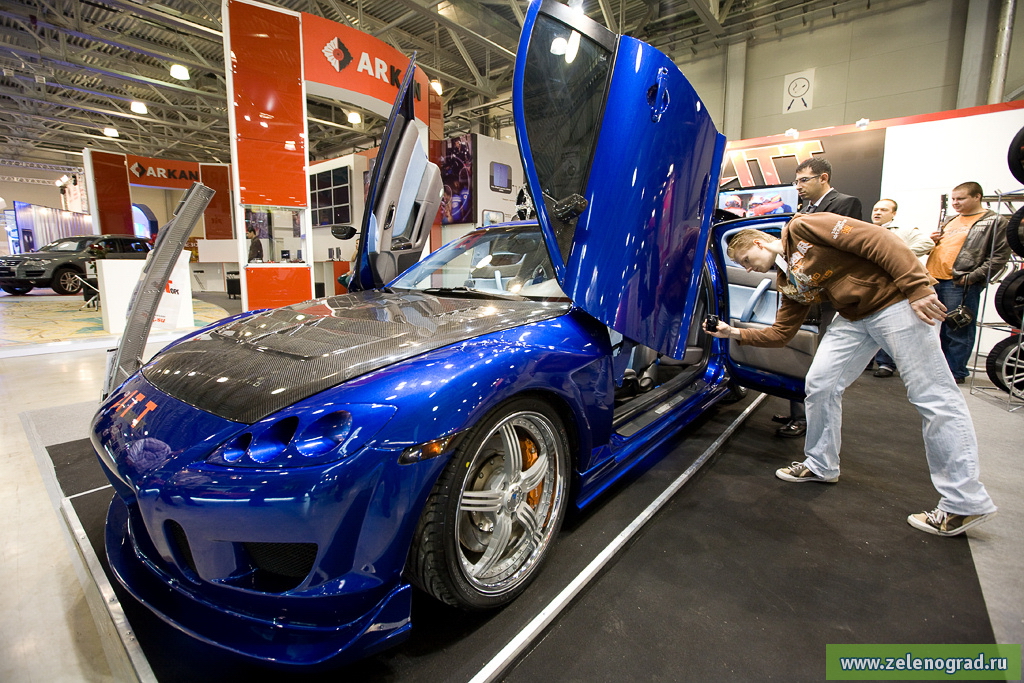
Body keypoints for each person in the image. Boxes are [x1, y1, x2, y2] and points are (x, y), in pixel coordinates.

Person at [709, 217, 997, 537]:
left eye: (746, 260)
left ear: (759, 243)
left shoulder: (802, 228)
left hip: (896, 302)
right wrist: (733, 332)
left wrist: (917, 287)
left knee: (933, 395)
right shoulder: (789, 281)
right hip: (854, 318)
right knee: (820, 385)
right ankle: (821, 464)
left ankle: (963, 502)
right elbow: (781, 334)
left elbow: (879, 241)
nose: (748, 269)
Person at [773, 158, 863, 438]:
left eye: (804, 180)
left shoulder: (845, 204)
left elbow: (838, 250)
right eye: (796, 181)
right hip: (804, 292)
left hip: (828, 295)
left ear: (823, 178)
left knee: (817, 359)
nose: (798, 186)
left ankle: (807, 419)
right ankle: (797, 412)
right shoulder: (804, 209)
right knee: (799, 352)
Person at [926, 182, 1010, 384]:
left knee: (958, 327)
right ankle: (940, 371)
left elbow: (999, 256)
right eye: (954, 199)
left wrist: (971, 277)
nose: (955, 203)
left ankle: (955, 372)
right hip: (935, 278)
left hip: (959, 282)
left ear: (977, 197)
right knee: (936, 329)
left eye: (961, 199)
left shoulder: (993, 221)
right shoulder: (951, 219)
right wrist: (932, 241)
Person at [869, 198, 935, 377]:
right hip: (873, 284)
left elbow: (927, 243)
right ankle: (869, 361)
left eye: (883, 210)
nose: (878, 212)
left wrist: (898, 257)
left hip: (894, 285)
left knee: (889, 325)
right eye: (876, 209)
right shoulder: (867, 229)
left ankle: (886, 364)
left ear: (894, 214)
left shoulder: (904, 230)